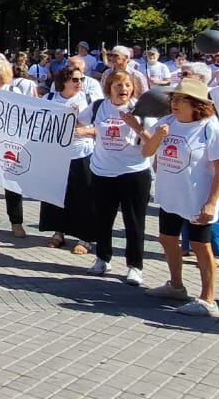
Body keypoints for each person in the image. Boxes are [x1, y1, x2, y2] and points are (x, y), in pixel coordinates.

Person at [142, 77, 219, 317]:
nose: (175, 103)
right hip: (171, 195)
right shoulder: (166, 122)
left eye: (182, 99)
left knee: (201, 246)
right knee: (167, 238)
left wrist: (212, 202)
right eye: (174, 98)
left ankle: (208, 299)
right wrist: (157, 136)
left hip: (197, 198)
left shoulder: (209, 127)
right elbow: (146, 151)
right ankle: (176, 286)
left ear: (196, 104)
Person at [86, 69, 154, 286]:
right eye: (118, 85)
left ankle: (135, 266)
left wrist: (136, 126)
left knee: (134, 221)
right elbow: (76, 120)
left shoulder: (142, 110)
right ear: (109, 88)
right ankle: (102, 258)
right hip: (102, 171)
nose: (123, 89)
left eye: (127, 85)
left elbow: (153, 142)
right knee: (103, 219)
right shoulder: (98, 106)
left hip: (134, 172)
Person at [40, 65, 100, 254]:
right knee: (57, 195)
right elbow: (39, 122)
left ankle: (86, 237)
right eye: (75, 79)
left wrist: (85, 131)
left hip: (82, 153)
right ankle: (59, 232)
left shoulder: (89, 100)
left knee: (84, 196)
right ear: (64, 81)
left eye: (81, 79)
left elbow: (102, 127)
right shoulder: (49, 98)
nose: (79, 83)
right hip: (56, 155)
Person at [0, 57, 37, 242]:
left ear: (1, 70)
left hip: (9, 146)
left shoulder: (13, 91)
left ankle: (16, 222)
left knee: (12, 185)